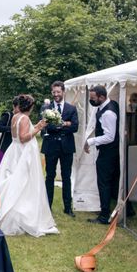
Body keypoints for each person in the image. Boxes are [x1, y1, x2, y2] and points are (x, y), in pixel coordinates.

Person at [0, 94, 58, 237]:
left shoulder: (16, 116)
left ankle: (12, 211)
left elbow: (19, 134)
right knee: (23, 182)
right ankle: (21, 216)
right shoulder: (24, 118)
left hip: (14, 151)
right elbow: (23, 138)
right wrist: (39, 128)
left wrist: (36, 126)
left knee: (15, 180)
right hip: (23, 152)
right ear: (30, 106)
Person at [84, 85, 134, 224]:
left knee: (104, 183)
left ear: (101, 97)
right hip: (113, 150)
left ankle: (104, 215)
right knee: (117, 181)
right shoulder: (112, 104)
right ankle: (128, 209)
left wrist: (90, 141)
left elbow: (109, 136)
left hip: (108, 151)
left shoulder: (108, 113)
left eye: (93, 98)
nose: (91, 101)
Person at [41, 81, 79, 217]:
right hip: (50, 146)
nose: (56, 94)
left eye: (58, 92)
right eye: (54, 92)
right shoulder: (46, 108)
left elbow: (75, 127)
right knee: (49, 176)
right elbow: (45, 127)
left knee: (66, 176)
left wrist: (59, 125)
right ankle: (47, 207)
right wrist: (64, 125)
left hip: (66, 147)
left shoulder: (71, 108)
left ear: (63, 92)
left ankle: (68, 208)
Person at [0, 97, 19, 166]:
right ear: (14, 106)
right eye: (18, 107)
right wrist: (11, 129)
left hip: (17, 146)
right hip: (5, 145)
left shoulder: (23, 117)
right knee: (2, 167)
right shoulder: (8, 115)